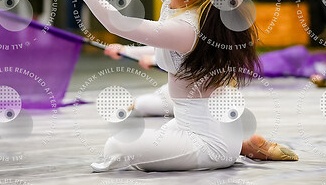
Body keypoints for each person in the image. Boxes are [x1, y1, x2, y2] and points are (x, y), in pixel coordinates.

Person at [62, 0, 298, 172]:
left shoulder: (189, 26)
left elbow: (117, 23)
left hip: (208, 142)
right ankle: (240, 143)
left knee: (117, 146)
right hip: (187, 123)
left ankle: (235, 145)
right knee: (149, 124)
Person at [103, 43, 298, 161]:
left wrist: (153, 59)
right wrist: (129, 51)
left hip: (199, 95)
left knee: (144, 108)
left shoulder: (191, 18)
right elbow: (164, 42)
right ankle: (236, 141)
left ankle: (236, 143)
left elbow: (172, 44)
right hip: (221, 97)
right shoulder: (211, 18)